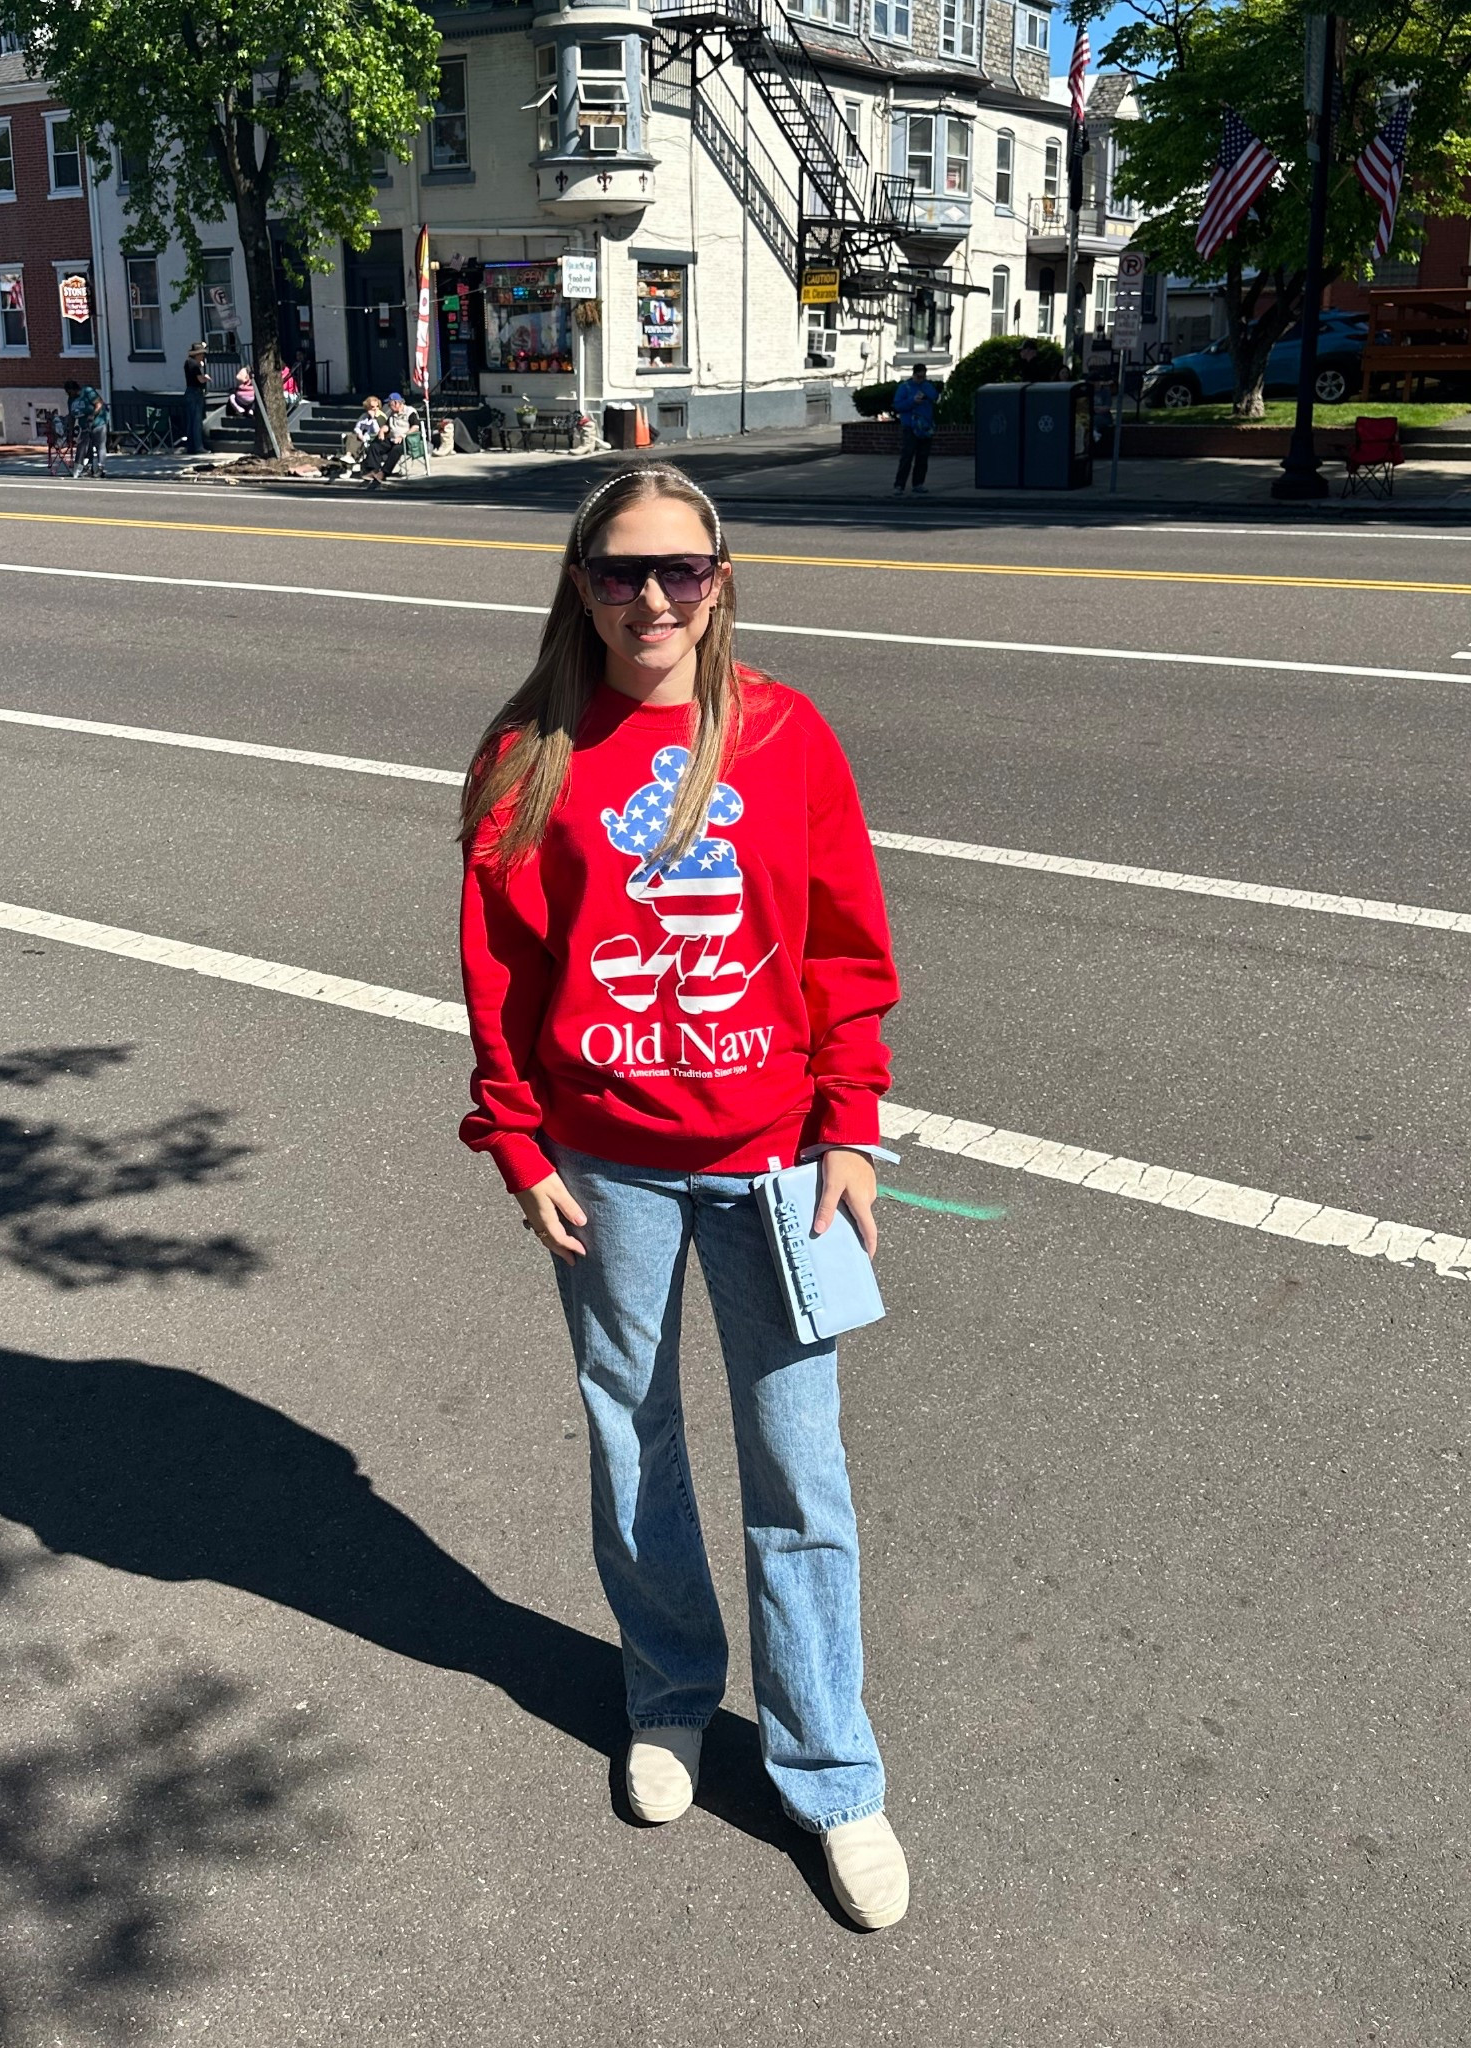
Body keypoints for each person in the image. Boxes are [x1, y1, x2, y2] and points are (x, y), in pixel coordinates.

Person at [456, 462, 909, 1931]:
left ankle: (830, 1772)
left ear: (723, 581)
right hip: (609, 1162)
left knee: (799, 1467)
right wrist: (519, 1148)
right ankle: (666, 1699)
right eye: (619, 571)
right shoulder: (529, 748)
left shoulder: (783, 735)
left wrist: (851, 1127)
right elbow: (504, 973)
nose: (651, 599)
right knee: (631, 1438)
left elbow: (843, 946)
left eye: (681, 571)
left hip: (777, 1158)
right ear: (576, 581)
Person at [891, 363, 936, 495]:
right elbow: (898, 405)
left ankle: (918, 483)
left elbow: (935, 396)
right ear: (914, 374)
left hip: (925, 426)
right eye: (918, 376)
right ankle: (899, 485)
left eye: (923, 377)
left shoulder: (927, 386)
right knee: (907, 456)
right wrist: (912, 401)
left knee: (922, 457)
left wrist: (926, 395)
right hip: (910, 426)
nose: (920, 379)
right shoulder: (905, 387)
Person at [69, 384, 108, 478]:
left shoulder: (87, 392)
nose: (69, 394)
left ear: (75, 389)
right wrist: (71, 430)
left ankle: (100, 468)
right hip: (85, 426)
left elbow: (99, 403)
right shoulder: (71, 400)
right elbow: (72, 416)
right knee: (86, 448)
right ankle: (88, 468)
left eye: (70, 392)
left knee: (100, 446)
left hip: (98, 423)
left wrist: (92, 415)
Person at [344, 394, 385, 472]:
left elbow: (377, 431)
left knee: (355, 443)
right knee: (351, 436)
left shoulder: (381, 417)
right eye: (372, 407)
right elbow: (357, 427)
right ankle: (348, 456)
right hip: (361, 436)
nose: (375, 409)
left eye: (377, 407)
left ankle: (350, 460)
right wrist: (359, 433)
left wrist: (373, 419)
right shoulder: (364, 416)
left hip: (371, 439)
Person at [183, 340, 209, 453]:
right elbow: (199, 379)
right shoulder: (194, 365)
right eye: (202, 354)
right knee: (197, 421)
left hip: (189, 392)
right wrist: (206, 377)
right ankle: (199, 447)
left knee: (190, 421)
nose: (203, 357)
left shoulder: (187, 363)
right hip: (195, 393)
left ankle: (191, 446)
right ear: (197, 355)